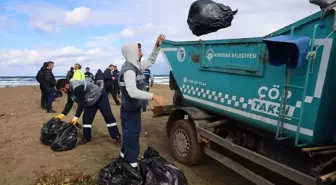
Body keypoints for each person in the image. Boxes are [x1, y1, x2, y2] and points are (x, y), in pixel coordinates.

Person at [118, 34, 166, 168]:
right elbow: (132, 92)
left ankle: (123, 154)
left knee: (129, 132)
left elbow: (151, 60)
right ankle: (132, 163)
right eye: (139, 50)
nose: (142, 53)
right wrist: (154, 96)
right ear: (133, 52)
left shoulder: (136, 65)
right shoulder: (129, 70)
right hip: (129, 109)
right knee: (132, 134)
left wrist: (156, 47)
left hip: (133, 109)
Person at [55, 79, 122, 146]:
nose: (63, 91)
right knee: (86, 119)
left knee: (108, 116)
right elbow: (69, 103)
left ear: (66, 85)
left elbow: (81, 103)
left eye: (62, 89)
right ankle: (86, 137)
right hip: (90, 100)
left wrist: (76, 117)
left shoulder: (77, 87)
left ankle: (117, 136)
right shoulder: (70, 89)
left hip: (100, 97)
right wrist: (62, 115)